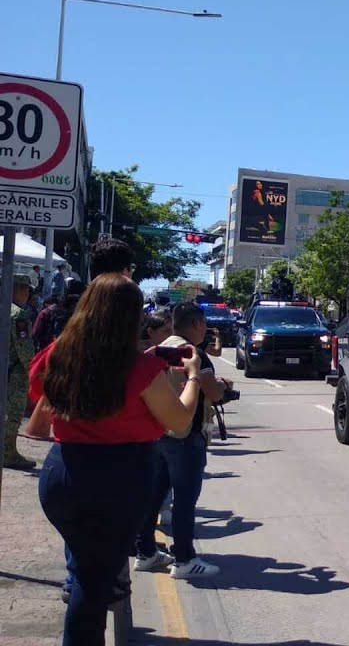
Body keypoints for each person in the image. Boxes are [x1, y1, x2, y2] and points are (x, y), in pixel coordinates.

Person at [31, 274, 201, 645]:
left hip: (61, 473)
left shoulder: (61, 352)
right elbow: (180, 422)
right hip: (117, 481)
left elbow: (38, 388)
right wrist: (191, 379)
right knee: (93, 586)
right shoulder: (139, 370)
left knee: (86, 571)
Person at [135, 302, 226, 579]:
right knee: (185, 501)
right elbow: (213, 392)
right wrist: (223, 386)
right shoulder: (194, 353)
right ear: (197, 325)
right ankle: (184, 559)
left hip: (157, 433)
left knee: (153, 496)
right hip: (185, 436)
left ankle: (146, 552)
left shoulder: (159, 349)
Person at [6, 274, 37, 469]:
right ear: (17, 289)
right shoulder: (19, 314)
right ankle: (8, 452)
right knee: (13, 413)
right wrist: (34, 371)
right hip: (14, 373)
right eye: (25, 289)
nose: (27, 294)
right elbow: (25, 351)